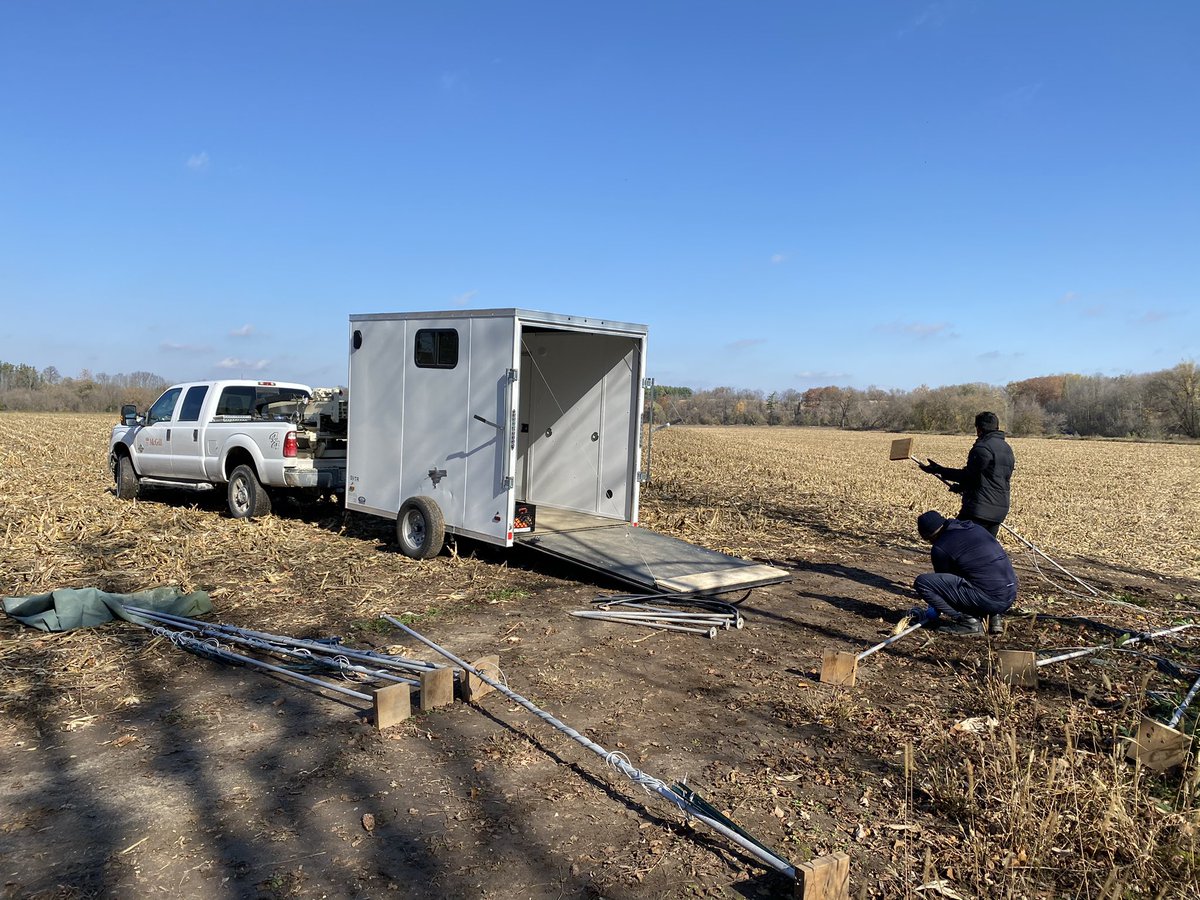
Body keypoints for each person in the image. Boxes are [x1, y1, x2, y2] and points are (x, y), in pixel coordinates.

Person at [907, 510, 1017, 636]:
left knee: (923, 583)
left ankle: (968, 622)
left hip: (990, 599)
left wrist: (936, 607)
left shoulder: (941, 547)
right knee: (978, 574)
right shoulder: (975, 528)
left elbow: (944, 589)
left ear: (929, 536)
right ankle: (993, 618)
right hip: (1009, 596)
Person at [919, 411, 1014, 536]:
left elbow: (969, 475)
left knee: (955, 541)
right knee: (983, 547)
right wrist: (962, 487)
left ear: (978, 429)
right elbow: (987, 477)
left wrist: (939, 470)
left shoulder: (983, 448)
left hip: (980, 509)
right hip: (1000, 509)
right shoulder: (1006, 448)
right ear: (996, 427)